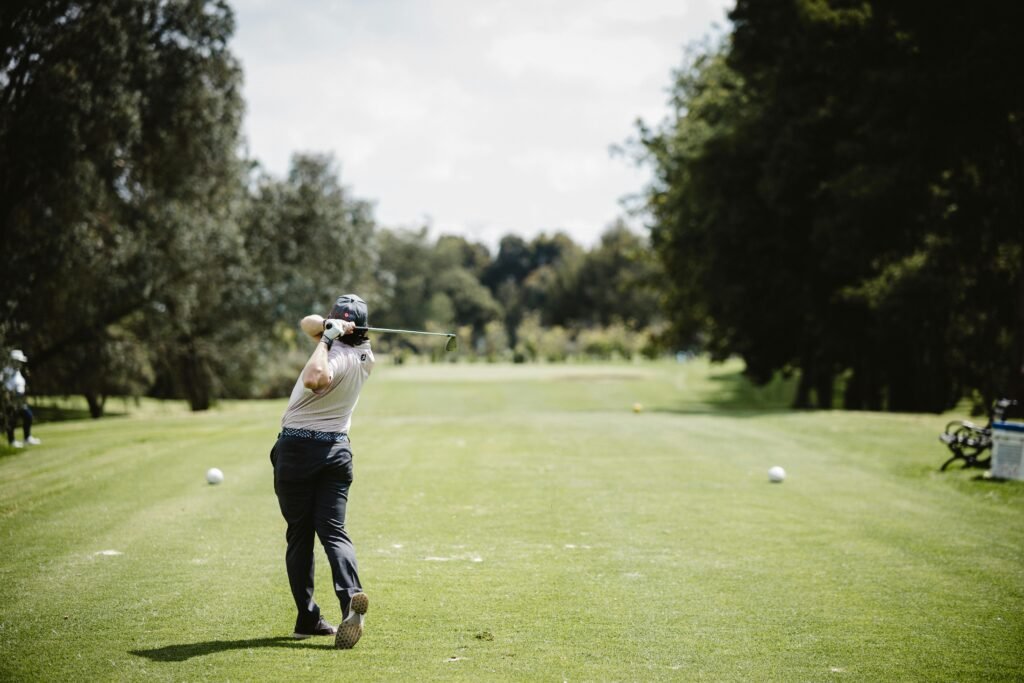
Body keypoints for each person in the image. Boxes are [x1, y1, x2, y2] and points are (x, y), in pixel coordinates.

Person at [270, 294, 375, 649]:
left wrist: (328, 338)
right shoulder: (365, 354)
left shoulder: (337, 356)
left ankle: (308, 617)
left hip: (299, 450)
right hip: (336, 451)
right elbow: (306, 322)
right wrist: (329, 328)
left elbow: (316, 378)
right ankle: (350, 598)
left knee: (300, 535)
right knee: (333, 529)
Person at [3, 349, 41, 449]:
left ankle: (27, 437)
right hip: (12, 399)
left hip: (20, 398)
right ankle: (12, 441)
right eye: (18, 361)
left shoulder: (17, 371)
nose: (20, 363)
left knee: (28, 416)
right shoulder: (7, 372)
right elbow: (5, 388)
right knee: (12, 420)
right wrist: (9, 400)